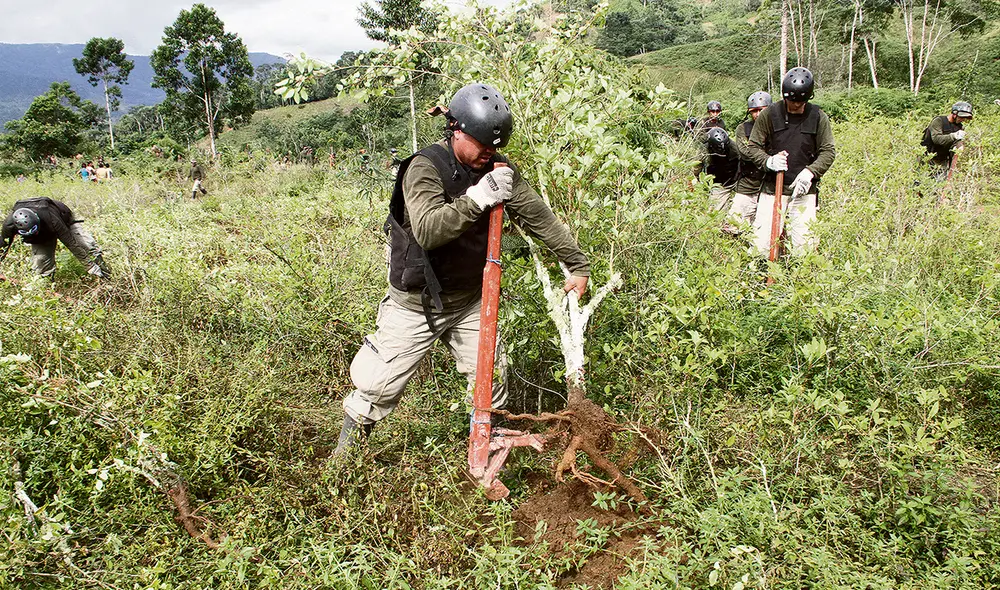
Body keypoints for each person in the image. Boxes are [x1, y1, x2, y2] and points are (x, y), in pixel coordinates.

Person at [334, 82, 591, 456]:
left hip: (471, 300)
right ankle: (343, 464)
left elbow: (540, 218)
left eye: (495, 147)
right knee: (376, 387)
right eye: (483, 144)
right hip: (416, 303)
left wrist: (576, 263)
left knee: (491, 384)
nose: (489, 153)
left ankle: (489, 459)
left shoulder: (497, 169)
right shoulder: (424, 168)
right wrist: (480, 197)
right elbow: (428, 230)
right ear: (456, 130)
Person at [745, 67, 836, 256]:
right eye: (793, 101)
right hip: (772, 189)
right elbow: (753, 147)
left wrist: (811, 172)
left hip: (803, 191)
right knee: (762, 246)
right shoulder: (769, 114)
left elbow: (828, 151)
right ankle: (763, 278)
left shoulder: (818, 117)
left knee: (804, 247)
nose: (796, 105)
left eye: (801, 101)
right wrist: (768, 161)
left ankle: (799, 281)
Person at [1, 197, 110, 280]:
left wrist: (90, 267)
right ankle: (47, 290)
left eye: (34, 229)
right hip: (43, 233)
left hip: (63, 220)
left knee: (87, 246)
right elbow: (3, 246)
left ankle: (106, 275)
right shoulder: (9, 224)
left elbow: (71, 244)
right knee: (41, 263)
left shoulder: (53, 220)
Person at [728, 91, 773, 233]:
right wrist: (768, 158)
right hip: (748, 183)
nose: (758, 114)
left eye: (761, 110)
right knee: (734, 224)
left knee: (765, 228)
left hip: (770, 184)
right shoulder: (743, 129)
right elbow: (745, 153)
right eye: (754, 111)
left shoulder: (776, 127)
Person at [695, 127, 741, 233]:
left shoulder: (734, 148)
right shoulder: (704, 150)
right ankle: (715, 231)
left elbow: (742, 162)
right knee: (715, 211)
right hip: (717, 182)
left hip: (734, 177)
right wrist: (702, 181)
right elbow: (697, 167)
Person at [921, 101, 972, 180]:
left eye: (965, 118)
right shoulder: (938, 121)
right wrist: (954, 135)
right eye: (961, 117)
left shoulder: (959, 127)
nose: (963, 119)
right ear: (954, 114)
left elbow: (957, 142)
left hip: (942, 160)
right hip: (927, 157)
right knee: (920, 184)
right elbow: (937, 139)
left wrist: (959, 146)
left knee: (939, 185)